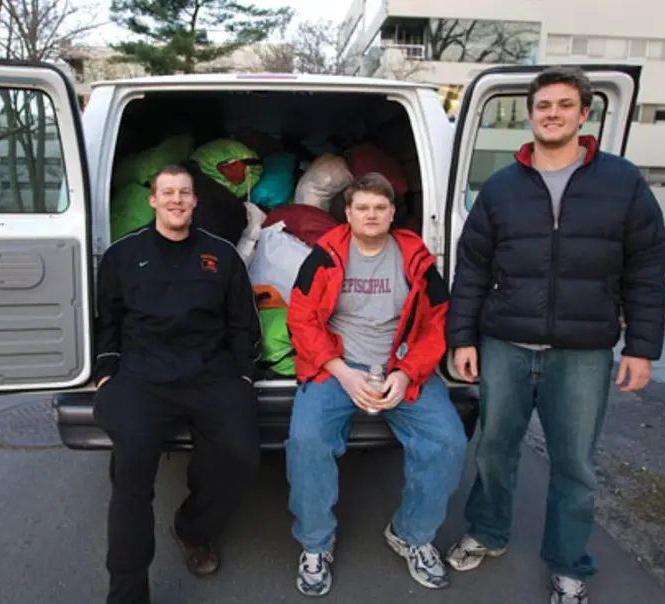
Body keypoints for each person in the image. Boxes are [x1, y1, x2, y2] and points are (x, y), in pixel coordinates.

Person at [443, 66, 665, 604]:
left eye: (565, 105)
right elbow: (472, 269)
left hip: (583, 352)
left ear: (583, 113)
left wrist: (641, 347)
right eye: (543, 105)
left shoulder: (622, 183)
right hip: (505, 345)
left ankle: (569, 564)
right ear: (530, 114)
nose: (553, 114)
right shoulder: (501, 188)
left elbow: (645, 268)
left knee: (575, 466)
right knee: (494, 450)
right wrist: (462, 338)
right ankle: (488, 532)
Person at [284, 172, 468, 597]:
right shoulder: (325, 255)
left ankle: (411, 534)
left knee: (447, 441)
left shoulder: (415, 257)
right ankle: (316, 544)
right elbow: (301, 318)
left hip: (401, 365)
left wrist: (407, 372)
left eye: (379, 208)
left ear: (391, 213)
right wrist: (341, 371)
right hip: (337, 366)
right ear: (347, 214)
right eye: (362, 208)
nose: (371, 215)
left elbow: (437, 323)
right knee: (307, 441)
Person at [92, 164, 263, 604]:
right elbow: (107, 320)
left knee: (241, 455)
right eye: (167, 193)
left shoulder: (221, 255)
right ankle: (127, 593)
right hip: (142, 375)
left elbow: (243, 321)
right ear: (153, 200)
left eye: (184, 193)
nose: (176, 200)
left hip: (210, 372)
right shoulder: (122, 255)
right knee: (131, 470)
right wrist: (106, 372)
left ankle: (193, 529)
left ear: (195, 201)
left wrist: (244, 373)